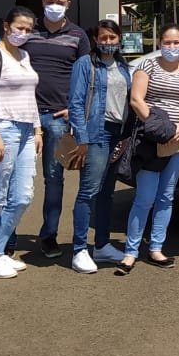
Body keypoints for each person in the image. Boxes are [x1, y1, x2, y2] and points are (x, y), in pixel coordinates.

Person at [117, 24, 179, 274]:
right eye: (167, 42)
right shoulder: (147, 66)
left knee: (166, 197)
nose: (171, 47)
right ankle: (130, 252)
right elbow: (136, 99)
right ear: (159, 43)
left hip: (178, 141)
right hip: (151, 140)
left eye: (176, 43)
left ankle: (156, 247)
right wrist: (156, 126)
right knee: (145, 197)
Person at [23, 0, 90, 259]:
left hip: (57, 117)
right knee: (18, 178)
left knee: (54, 178)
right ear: (42, 1)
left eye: (60, 1)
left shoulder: (78, 36)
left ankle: (49, 235)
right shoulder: (27, 33)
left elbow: (88, 76)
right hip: (24, 116)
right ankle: (8, 237)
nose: (55, 5)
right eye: (51, 0)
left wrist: (75, 110)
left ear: (68, 4)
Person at [0, 6, 42, 278]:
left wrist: (37, 129)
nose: (23, 33)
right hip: (3, 128)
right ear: (6, 25)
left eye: (28, 29)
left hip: (26, 130)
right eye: (19, 28)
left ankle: (0, 250)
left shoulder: (24, 55)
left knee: (23, 196)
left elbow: (30, 96)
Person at [65, 19, 131, 273]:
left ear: (119, 39)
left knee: (107, 193)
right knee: (88, 192)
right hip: (96, 133)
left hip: (117, 133)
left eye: (112, 38)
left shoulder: (123, 65)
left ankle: (102, 245)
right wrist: (82, 138)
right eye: (103, 38)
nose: (108, 42)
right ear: (95, 40)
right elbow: (77, 102)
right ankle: (79, 249)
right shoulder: (85, 64)